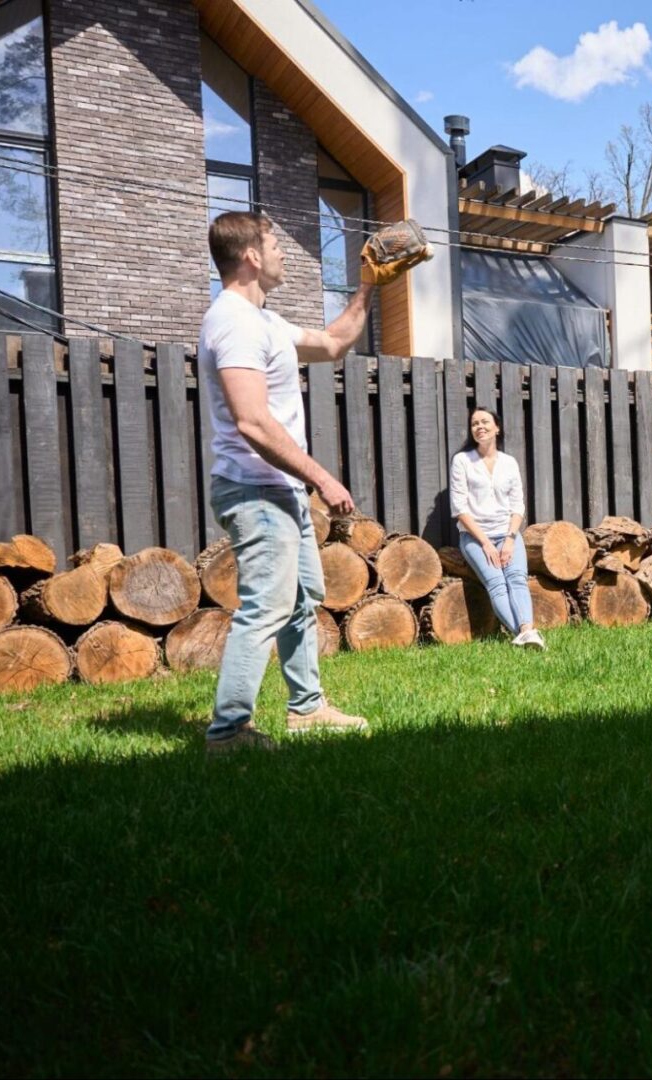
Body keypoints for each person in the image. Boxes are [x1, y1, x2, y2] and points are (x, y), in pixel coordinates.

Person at [199, 210, 425, 753]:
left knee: (300, 599)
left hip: (278, 489)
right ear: (251, 255)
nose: (281, 252)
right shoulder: (232, 321)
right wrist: (322, 476)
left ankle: (306, 709)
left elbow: (333, 345)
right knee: (268, 605)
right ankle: (228, 731)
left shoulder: (267, 322)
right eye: (274, 242)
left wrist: (368, 286)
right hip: (253, 489)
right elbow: (251, 420)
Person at [450, 408, 546, 649]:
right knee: (496, 582)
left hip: (508, 533)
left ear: (497, 428)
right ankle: (526, 635)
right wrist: (486, 544)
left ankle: (525, 631)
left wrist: (510, 538)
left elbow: (518, 506)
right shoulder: (462, 461)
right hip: (474, 537)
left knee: (517, 578)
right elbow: (460, 508)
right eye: (474, 423)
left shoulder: (509, 463)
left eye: (484, 422)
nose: (479, 426)